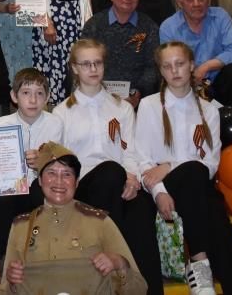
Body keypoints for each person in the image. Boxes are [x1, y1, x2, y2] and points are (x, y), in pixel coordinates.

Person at [134, 42, 232, 295]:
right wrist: (160, 192)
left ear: (192, 65)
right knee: (197, 180)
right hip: (161, 187)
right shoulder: (149, 106)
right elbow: (143, 159)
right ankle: (199, 263)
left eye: (180, 64)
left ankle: (208, 271)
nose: (174, 71)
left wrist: (169, 164)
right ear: (161, 71)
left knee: (220, 224)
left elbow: (211, 165)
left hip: (196, 186)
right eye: (167, 66)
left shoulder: (210, 110)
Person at [52, 39, 162, 294]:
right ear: (74, 68)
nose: (93, 69)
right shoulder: (61, 113)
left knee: (142, 208)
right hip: (84, 189)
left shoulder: (122, 108)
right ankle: (113, 270)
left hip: (122, 184)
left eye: (98, 63)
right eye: (86, 64)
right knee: (110, 170)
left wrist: (132, 179)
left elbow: (131, 151)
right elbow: (63, 162)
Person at [0, 141, 148, 295]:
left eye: (67, 174)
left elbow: (139, 289)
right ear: (40, 181)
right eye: (51, 173)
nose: (59, 181)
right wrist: (11, 282)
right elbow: (4, 291)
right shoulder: (21, 227)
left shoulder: (100, 222)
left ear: (76, 182)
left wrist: (120, 264)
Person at [0, 68, 63, 260]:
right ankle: (7, 253)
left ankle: (42, 253)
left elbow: (60, 163)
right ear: (14, 96)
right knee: (0, 195)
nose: (33, 100)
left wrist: (42, 162)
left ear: (47, 98)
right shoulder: (2, 124)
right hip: (12, 190)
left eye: (39, 94)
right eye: (26, 93)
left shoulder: (55, 123)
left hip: (38, 188)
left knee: (42, 190)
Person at [159, 0, 232, 108]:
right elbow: (169, 66)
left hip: (219, 80)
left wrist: (206, 66)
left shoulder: (220, 16)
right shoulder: (168, 27)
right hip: (188, 84)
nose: (197, 4)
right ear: (180, 3)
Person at [80, 0, 160, 107]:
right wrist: (99, 93)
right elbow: (83, 63)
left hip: (137, 101)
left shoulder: (149, 26)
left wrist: (137, 92)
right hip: (97, 98)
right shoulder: (94, 25)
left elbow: (152, 67)